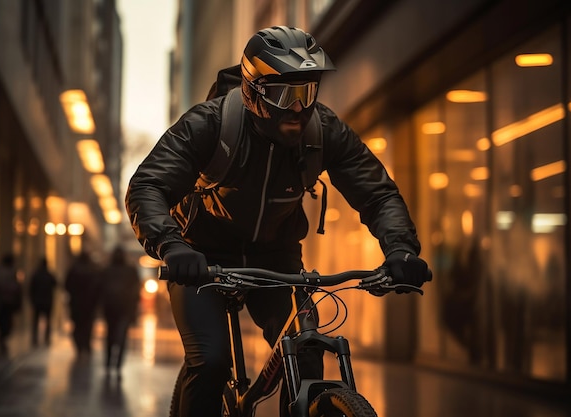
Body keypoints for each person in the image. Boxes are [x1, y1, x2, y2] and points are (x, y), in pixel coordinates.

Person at [125, 26, 431, 417]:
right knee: (212, 362)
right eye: (285, 94)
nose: (299, 109)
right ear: (252, 92)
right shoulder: (209, 124)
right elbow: (148, 185)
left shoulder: (324, 130)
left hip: (277, 259)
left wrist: (401, 249)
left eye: (307, 93)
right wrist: (173, 245)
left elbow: (377, 193)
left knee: (306, 353)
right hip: (201, 259)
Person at [99, 245, 141, 378]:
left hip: (110, 308)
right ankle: (117, 365)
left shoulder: (107, 270)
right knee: (121, 337)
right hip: (125, 309)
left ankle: (108, 363)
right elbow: (136, 291)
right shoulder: (130, 271)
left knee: (110, 336)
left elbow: (100, 289)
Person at [65, 251, 101, 358]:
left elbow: (67, 285)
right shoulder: (92, 270)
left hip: (76, 303)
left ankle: (80, 345)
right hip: (89, 304)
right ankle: (85, 344)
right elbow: (97, 287)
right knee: (87, 325)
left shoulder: (74, 269)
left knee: (77, 325)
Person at [0, 253, 22, 355]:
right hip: (4, 302)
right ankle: (1, 337)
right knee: (4, 321)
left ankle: (2, 337)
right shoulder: (8, 273)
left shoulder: (0, 272)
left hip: (3, 302)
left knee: (3, 321)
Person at [28, 257, 58, 347]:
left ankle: (35, 339)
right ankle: (46, 338)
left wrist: (32, 299)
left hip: (38, 302)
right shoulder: (48, 275)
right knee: (47, 320)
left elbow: (30, 288)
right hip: (47, 302)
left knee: (36, 320)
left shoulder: (36, 275)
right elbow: (56, 284)